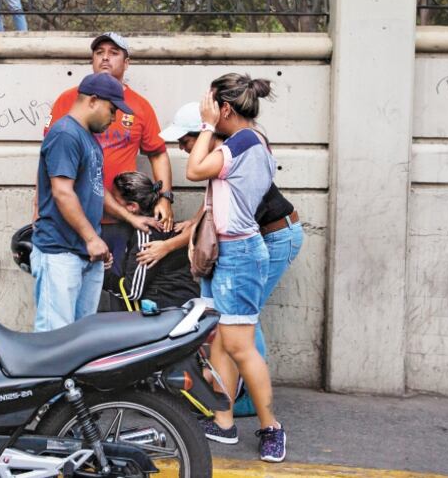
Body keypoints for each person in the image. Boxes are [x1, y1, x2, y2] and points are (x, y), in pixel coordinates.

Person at [162, 101, 304, 417]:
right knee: (237, 321)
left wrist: (167, 247)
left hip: (277, 236)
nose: (183, 149)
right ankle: (226, 400)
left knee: (243, 321)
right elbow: (214, 205)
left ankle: (250, 400)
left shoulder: (234, 157)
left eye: (185, 141)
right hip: (264, 237)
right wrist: (193, 223)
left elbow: (222, 211)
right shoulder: (224, 156)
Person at [185, 73, 286, 463]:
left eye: (210, 104)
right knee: (223, 342)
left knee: (240, 346)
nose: (205, 110)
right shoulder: (254, 140)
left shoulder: (243, 141)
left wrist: (207, 127)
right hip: (230, 251)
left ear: (225, 108)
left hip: (239, 254)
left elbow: (194, 170)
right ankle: (223, 422)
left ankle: (271, 427)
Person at [45, 33, 174, 285]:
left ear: (126, 63)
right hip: (73, 216)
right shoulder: (68, 101)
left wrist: (165, 198)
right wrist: (40, 211)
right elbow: (51, 161)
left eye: (114, 53)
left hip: (119, 218)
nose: (105, 58)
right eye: (99, 52)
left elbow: (158, 153)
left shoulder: (140, 106)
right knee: (67, 286)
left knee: (113, 288)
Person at [32, 72, 132, 332]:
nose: (114, 118)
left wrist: (130, 219)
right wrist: (91, 238)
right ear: (93, 100)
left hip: (85, 254)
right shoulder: (65, 134)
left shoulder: (87, 138)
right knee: (55, 337)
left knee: (81, 338)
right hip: (60, 251)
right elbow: (62, 192)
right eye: (112, 110)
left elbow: (95, 188)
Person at [103, 172, 199, 311]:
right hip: (186, 303)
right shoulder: (171, 227)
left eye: (115, 200)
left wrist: (103, 275)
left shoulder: (146, 234)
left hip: (163, 311)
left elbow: (132, 291)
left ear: (132, 206)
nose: (111, 204)